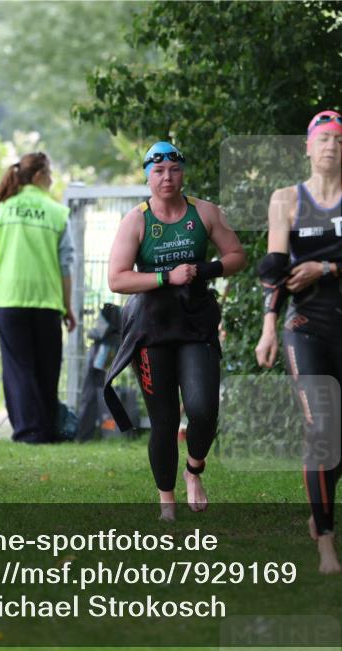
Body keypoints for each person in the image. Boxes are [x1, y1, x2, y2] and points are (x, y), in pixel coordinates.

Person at [254, 111, 342, 573]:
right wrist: (269, 324)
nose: (330, 147)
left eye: (338, 139)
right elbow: (276, 269)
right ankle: (326, 542)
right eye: (322, 140)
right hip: (305, 326)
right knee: (319, 431)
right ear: (307, 148)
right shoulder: (285, 200)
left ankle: (320, 498)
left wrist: (328, 267)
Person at [105, 141, 246, 521]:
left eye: (174, 170)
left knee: (203, 410)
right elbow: (116, 279)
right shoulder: (137, 220)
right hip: (151, 328)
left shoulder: (204, 212)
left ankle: (194, 470)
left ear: (183, 173)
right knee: (164, 421)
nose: (167, 178)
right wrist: (167, 276)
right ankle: (166, 498)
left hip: (195, 322)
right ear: (148, 176)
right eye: (158, 171)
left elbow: (237, 256)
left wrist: (203, 270)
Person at [0, 152, 76, 443]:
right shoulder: (57, 211)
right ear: (38, 176)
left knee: (18, 368)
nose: (52, 180)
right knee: (47, 367)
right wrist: (67, 305)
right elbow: (65, 263)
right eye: (49, 175)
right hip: (46, 299)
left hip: (9, 299)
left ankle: (26, 431)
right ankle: (46, 429)